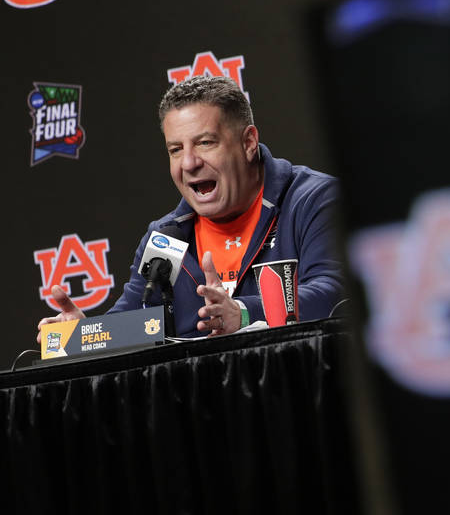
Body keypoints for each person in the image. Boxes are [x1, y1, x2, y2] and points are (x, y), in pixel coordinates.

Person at [37, 75, 343, 339]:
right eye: (175, 149)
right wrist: (85, 334)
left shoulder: (313, 199)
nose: (189, 163)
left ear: (248, 143)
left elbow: (337, 294)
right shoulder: (167, 237)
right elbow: (134, 320)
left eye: (205, 143)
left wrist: (244, 312)